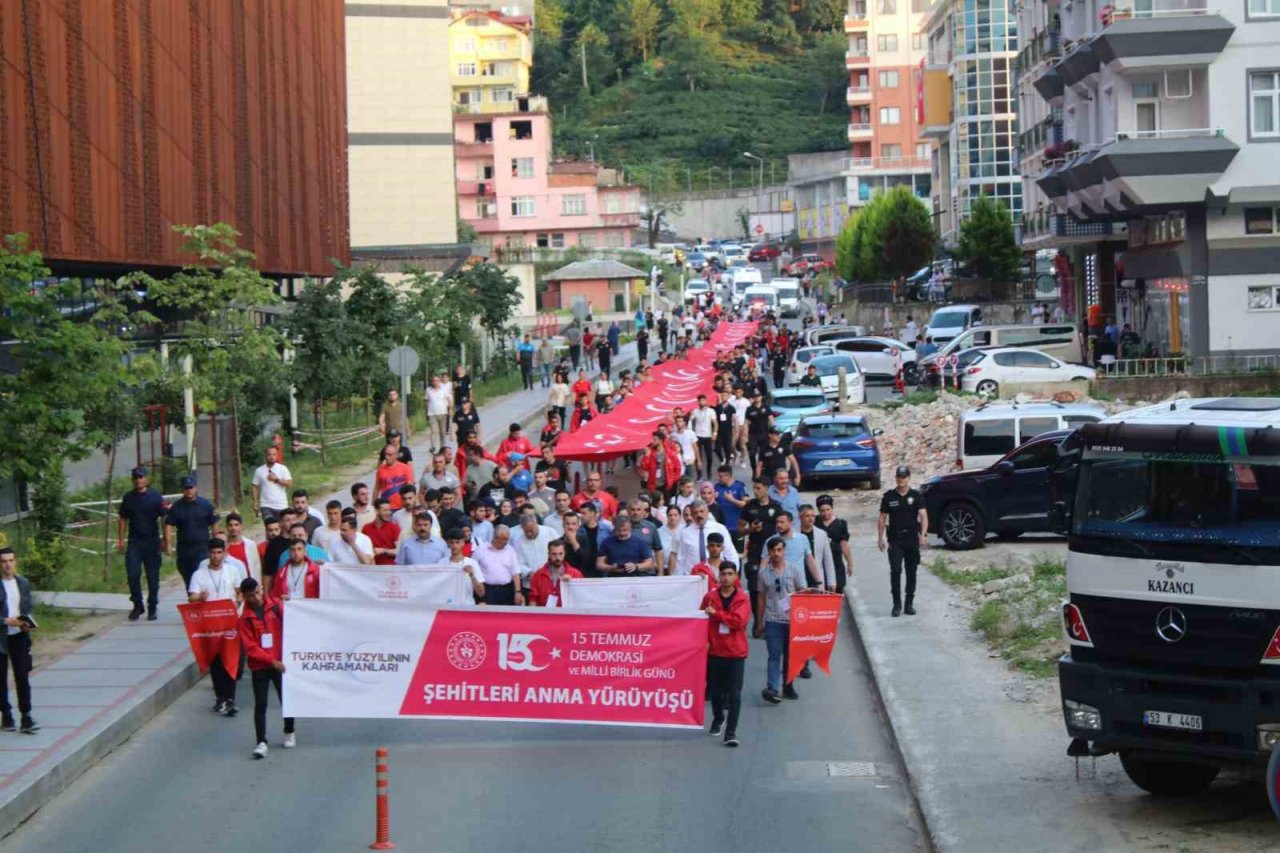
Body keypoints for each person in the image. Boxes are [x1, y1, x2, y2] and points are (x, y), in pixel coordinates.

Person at [188, 538, 247, 716]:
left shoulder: (232, 571)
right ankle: (220, 697)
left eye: (219, 553)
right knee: (216, 663)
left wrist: (238, 602)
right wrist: (200, 598)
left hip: (229, 622)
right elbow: (192, 597)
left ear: (225, 553)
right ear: (208, 554)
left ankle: (230, 699)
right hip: (209, 625)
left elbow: (239, 591)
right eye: (213, 553)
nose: (216, 556)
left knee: (231, 660)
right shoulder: (199, 574)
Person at [237, 577, 293, 759]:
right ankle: (261, 741)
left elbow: (292, 624)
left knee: (286, 699)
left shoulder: (276, 605)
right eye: (252, 596)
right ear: (244, 596)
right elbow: (251, 648)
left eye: (258, 593)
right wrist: (271, 661)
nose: (257, 598)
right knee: (261, 703)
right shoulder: (244, 619)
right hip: (261, 665)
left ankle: (289, 730)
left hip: (280, 660)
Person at [702, 561, 750, 747]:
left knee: (735, 693)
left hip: (736, 652)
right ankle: (718, 718)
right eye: (723, 574)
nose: (726, 577)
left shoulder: (742, 598)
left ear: (736, 576)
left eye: (730, 574)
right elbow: (700, 619)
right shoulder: (710, 597)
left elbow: (738, 621)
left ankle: (731, 732)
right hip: (715, 650)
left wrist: (716, 614)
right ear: (719, 576)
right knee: (714, 690)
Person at [755, 536, 808, 703]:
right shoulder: (763, 574)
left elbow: (802, 592)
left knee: (791, 656)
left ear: (784, 551)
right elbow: (761, 598)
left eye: (779, 550)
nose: (776, 553)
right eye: (773, 550)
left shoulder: (794, 570)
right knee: (774, 655)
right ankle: (772, 688)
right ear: (769, 552)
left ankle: (788, 685)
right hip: (773, 620)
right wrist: (759, 622)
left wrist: (805, 619)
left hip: (792, 621)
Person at [117, 466, 169, 621]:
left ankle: (152, 605)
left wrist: (166, 540)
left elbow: (164, 518)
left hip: (152, 541)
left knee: (152, 576)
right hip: (135, 542)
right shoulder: (128, 497)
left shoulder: (155, 496)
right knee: (133, 574)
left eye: (141, 477)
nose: (138, 480)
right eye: (135, 478)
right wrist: (121, 539)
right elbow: (123, 518)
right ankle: (137, 605)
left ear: (146, 479)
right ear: (132, 480)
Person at [878, 466, 928, 617]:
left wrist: (923, 534)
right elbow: (882, 518)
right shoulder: (889, 497)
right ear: (896, 478)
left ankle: (909, 604)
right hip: (895, 539)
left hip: (911, 538)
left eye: (904, 477)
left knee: (911, 570)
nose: (902, 479)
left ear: (908, 478)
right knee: (896, 570)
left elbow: (924, 516)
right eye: (899, 477)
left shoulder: (916, 495)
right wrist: (880, 538)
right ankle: (896, 604)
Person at [0, 548, 38, 734]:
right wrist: (5, 621)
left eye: (11, 560)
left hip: (20, 636)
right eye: (4, 561)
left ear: (16, 562)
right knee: (1, 679)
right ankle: (6, 715)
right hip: (1, 637)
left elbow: (28, 607)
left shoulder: (23, 583)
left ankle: (26, 716)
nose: (8, 564)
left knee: (22, 676)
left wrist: (27, 622)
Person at [167, 474, 219, 591]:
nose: (189, 490)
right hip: (184, 550)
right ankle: (193, 602)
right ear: (182, 489)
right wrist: (168, 543)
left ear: (195, 488)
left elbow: (214, 522)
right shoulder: (176, 507)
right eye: (186, 488)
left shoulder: (205, 505)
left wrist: (216, 541)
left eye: (191, 487)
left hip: (202, 548)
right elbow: (169, 524)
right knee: (189, 580)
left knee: (201, 576)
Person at [668, 500, 738, 576]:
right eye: (695, 512)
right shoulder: (685, 533)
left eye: (702, 511)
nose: (699, 515)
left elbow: (730, 553)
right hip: (693, 576)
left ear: (707, 511)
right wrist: (680, 579)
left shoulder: (719, 528)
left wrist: (733, 573)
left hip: (717, 576)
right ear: (692, 514)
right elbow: (681, 558)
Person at [474, 525, 523, 605]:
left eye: (507, 539)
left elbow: (515, 572)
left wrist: (518, 591)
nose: (505, 542)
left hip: (507, 590)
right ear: (495, 537)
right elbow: (474, 569)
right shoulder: (481, 549)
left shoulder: (510, 550)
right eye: (503, 539)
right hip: (487, 590)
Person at [816, 495, 853, 594]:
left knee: (838, 590)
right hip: (820, 564)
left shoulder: (841, 524)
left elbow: (844, 545)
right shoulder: (815, 522)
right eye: (822, 510)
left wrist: (849, 563)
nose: (825, 513)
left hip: (836, 563)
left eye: (828, 509)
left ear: (832, 509)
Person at [528, 540, 581, 607]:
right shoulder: (537, 576)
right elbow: (533, 600)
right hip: (545, 615)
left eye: (560, 553)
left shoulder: (576, 574)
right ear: (549, 554)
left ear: (565, 553)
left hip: (567, 614)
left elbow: (582, 598)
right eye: (554, 554)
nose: (558, 558)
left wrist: (572, 582)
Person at [443, 529, 487, 600]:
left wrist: (472, 576)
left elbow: (481, 593)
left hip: (466, 606)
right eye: (452, 542)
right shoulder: (441, 563)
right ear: (448, 543)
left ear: (463, 543)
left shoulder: (472, 563)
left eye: (457, 542)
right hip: (446, 605)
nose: (454, 546)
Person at [224, 512, 263, 583]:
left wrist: (258, 586)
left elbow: (256, 568)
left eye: (236, 525)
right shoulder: (223, 547)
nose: (233, 528)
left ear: (241, 526)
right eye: (230, 525)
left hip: (248, 586)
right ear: (226, 527)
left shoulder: (251, 545)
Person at [375, 444, 414, 510]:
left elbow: (410, 488)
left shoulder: (405, 468)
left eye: (389, 455)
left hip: (402, 507)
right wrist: (374, 505)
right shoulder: (380, 470)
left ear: (396, 455)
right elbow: (376, 489)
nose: (387, 457)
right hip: (386, 508)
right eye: (385, 455)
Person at [362, 499, 401, 566]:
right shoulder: (366, 528)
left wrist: (383, 551)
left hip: (390, 569)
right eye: (385, 510)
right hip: (372, 568)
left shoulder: (394, 528)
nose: (389, 513)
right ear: (377, 511)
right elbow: (363, 549)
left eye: (389, 510)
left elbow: (399, 552)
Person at [689, 394, 717, 479]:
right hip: (697, 436)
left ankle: (709, 471)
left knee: (709, 456)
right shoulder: (695, 411)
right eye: (700, 401)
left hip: (708, 436)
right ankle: (699, 474)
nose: (702, 402)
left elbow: (715, 423)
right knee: (698, 456)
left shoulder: (711, 411)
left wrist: (715, 433)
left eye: (703, 400)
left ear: (706, 401)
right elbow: (690, 421)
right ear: (698, 402)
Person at [426, 375, 453, 453]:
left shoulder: (444, 389)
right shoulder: (428, 390)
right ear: (432, 382)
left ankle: (442, 446)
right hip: (432, 413)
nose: (435, 382)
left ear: (439, 381)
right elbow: (426, 401)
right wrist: (426, 412)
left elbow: (449, 399)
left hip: (443, 412)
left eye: (437, 381)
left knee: (442, 431)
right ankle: (433, 446)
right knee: (434, 431)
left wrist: (450, 409)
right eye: (434, 381)